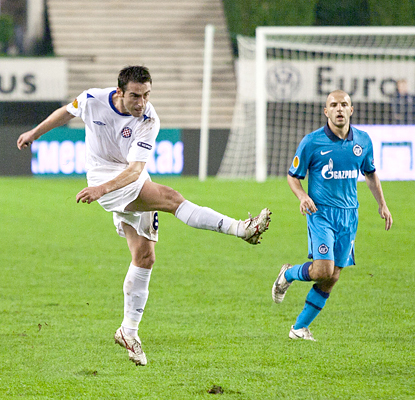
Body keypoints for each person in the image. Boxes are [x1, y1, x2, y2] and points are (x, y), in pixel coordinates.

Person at [17, 66, 272, 366]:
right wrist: (35, 133)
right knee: (171, 199)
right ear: (119, 93)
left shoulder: (149, 119)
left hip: (127, 176)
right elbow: (66, 112)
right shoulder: (93, 99)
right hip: (103, 178)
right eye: (135, 96)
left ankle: (128, 331)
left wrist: (103, 189)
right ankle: (241, 228)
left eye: (147, 95)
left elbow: (136, 170)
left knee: (145, 256)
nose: (141, 102)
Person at [271, 90, 392, 341]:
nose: (339, 109)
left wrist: (383, 204)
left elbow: (370, 173)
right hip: (320, 213)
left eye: (344, 104)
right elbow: (293, 175)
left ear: (351, 109)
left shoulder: (363, 141)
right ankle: (288, 273)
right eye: (334, 105)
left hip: (349, 216)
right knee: (323, 270)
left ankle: (299, 328)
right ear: (326, 112)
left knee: (333, 277)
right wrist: (303, 197)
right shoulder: (312, 142)